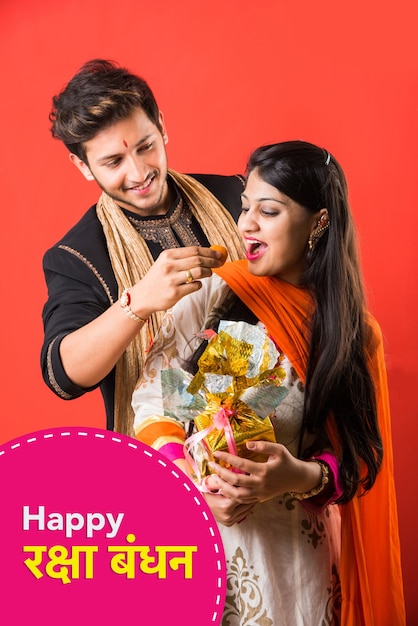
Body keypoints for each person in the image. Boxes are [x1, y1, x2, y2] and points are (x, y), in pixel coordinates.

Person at [131, 141, 405, 625]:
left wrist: (296, 476)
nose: (246, 224)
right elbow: (153, 399)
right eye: (245, 207)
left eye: (269, 210)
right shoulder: (215, 292)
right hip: (192, 545)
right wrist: (197, 483)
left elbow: (360, 463)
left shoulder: (350, 334)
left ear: (318, 222)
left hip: (292, 571)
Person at [41, 59, 245, 435]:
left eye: (145, 146)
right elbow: (63, 375)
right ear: (83, 166)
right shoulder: (77, 256)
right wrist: (138, 302)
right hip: (160, 460)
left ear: (162, 127)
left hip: (271, 447)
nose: (138, 173)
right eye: (113, 161)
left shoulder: (237, 196)